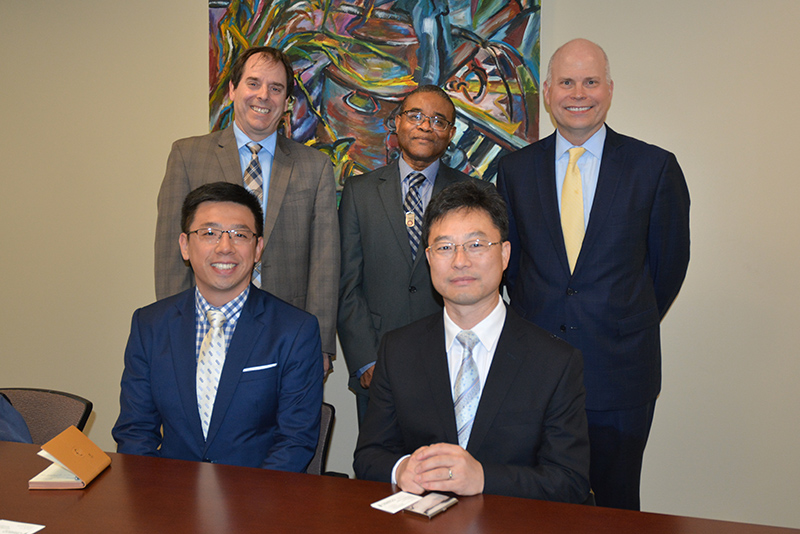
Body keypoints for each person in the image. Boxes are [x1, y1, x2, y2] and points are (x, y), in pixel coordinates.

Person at [496, 38, 690, 510]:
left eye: (590, 81)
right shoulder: (514, 170)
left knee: (617, 504)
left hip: (621, 374)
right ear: (547, 91)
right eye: (566, 81)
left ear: (609, 89)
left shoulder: (654, 167)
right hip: (534, 375)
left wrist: (619, 317)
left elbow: (667, 268)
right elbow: (510, 265)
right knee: (536, 506)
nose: (577, 93)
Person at [353, 181, 590, 503]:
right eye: (445, 247)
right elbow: (369, 456)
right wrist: (402, 468)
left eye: (476, 244)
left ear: (504, 254)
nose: (460, 261)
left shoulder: (555, 361)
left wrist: (482, 478)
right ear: (429, 258)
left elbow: (569, 481)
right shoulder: (398, 349)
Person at [154, 46, 339, 373]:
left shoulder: (315, 167)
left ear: (286, 103)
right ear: (232, 90)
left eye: (276, 88)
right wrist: (174, 332)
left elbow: (325, 260)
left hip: (285, 331)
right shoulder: (187, 155)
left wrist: (321, 342)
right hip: (205, 325)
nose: (263, 96)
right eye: (253, 83)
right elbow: (172, 251)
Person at [114, 182, 323, 472]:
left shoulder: (295, 330)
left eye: (240, 235)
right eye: (209, 233)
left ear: (258, 248)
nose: (225, 247)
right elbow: (135, 431)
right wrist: (156, 500)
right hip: (169, 498)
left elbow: (295, 441)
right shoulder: (150, 324)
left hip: (258, 501)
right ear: (185, 246)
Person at [338, 85, 488, 424]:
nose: (425, 126)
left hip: (454, 363)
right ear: (397, 122)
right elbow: (347, 284)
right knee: (379, 470)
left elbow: (484, 285)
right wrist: (366, 359)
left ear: (450, 133)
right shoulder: (359, 193)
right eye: (416, 116)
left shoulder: (475, 194)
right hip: (378, 365)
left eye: (438, 120)